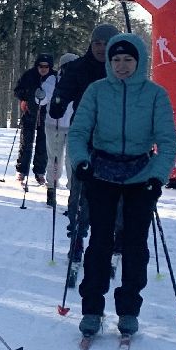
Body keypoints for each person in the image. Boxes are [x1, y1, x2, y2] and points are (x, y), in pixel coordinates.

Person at [68, 33, 176, 337]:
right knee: (99, 243)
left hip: (141, 176)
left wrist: (158, 176)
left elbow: (168, 142)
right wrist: (81, 162)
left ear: (139, 61)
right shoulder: (97, 91)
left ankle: (129, 308)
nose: (121, 65)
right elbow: (78, 134)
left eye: (128, 59)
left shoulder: (156, 95)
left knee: (134, 246)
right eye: (116, 59)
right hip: (101, 173)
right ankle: (92, 307)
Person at [50, 23, 119, 267]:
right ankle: (77, 237)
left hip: (117, 143)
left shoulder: (123, 67)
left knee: (114, 195)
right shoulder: (79, 67)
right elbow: (63, 92)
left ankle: (112, 242)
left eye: (106, 43)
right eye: (96, 43)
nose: (101, 48)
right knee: (80, 192)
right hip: (85, 139)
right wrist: (58, 102)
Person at [41, 52, 79, 207]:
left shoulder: (80, 81)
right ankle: (52, 189)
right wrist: (40, 96)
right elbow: (44, 98)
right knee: (55, 158)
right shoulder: (53, 80)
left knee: (73, 161)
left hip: (74, 126)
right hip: (54, 124)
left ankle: (74, 193)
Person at [13, 54, 53, 185]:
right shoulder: (29, 75)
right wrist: (25, 97)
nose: (43, 69)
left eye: (46, 66)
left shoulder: (54, 77)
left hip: (46, 116)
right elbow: (17, 91)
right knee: (26, 143)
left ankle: (40, 172)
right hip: (29, 113)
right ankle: (21, 171)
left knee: (43, 145)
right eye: (40, 66)